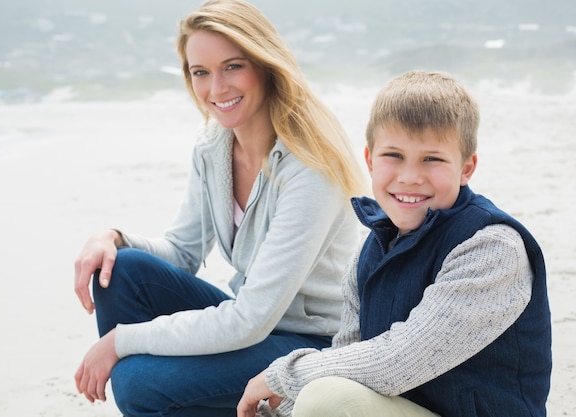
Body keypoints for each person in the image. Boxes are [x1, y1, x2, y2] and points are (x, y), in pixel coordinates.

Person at [73, 1, 365, 416]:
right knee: (120, 269)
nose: (216, 89)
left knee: (136, 382)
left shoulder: (310, 168)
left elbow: (251, 319)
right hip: (254, 326)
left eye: (232, 66)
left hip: (310, 344)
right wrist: (112, 238)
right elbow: (182, 250)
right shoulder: (214, 144)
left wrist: (120, 341)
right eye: (201, 73)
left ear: (264, 65)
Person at [237, 70, 552, 417]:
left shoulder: (492, 247)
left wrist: (283, 376)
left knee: (329, 399)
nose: (410, 176)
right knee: (316, 396)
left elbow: (400, 359)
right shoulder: (370, 249)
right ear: (370, 160)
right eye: (394, 156)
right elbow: (348, 354)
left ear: (466, 168)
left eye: (432, 159)